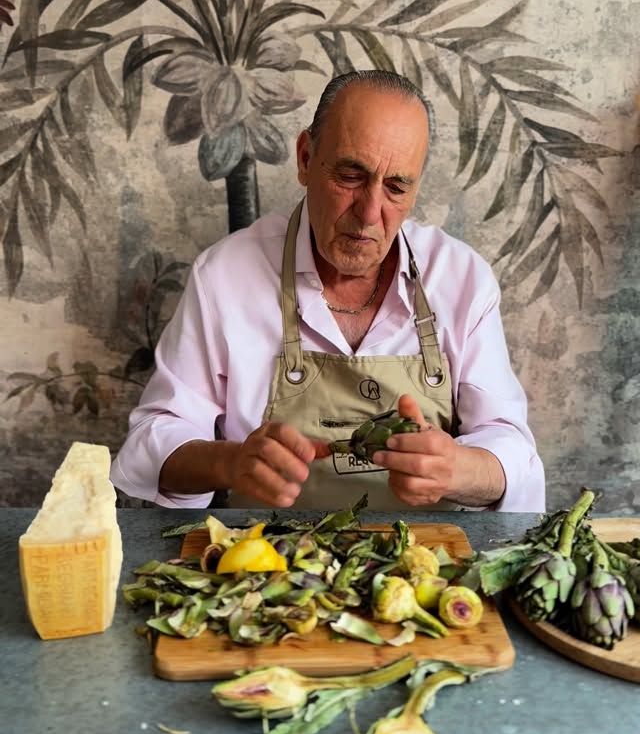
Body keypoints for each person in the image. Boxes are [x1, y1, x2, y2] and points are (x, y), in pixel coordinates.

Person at [110, 70, 545, 512]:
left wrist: (457, 470)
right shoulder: (225, 276)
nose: (369, 213)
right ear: (304, 158)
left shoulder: (460, 279)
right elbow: (153, 441)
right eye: (351, 176)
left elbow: (513, 454)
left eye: (396, 187)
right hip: (267, 564)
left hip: (426, 569)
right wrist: (230, 462)